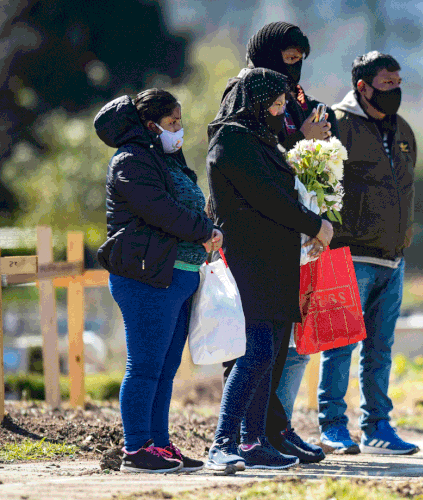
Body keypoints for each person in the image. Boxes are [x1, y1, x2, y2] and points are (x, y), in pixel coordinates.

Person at [219, 21, 338, 464]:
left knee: (283, 344)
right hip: (254, 235)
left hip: (291, 232)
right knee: (255, 347)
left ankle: (274, 430)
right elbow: (260, 160)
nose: (295, 69)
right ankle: (245, 438)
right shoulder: (242, 94)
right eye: (287, 59)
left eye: (300, 60)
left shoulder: (298, 98)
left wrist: (323, 146)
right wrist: (301, 139)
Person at [95, 89, 223, 473]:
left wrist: (210, 231)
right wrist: (205, 229)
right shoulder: (131, 160)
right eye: (172, 123)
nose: (178, 130)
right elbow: (162, 211)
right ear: (150, 125)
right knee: (145, 367)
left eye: (180, 122)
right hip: (146, 277)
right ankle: (136, 449)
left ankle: (160, 444)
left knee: (165, 370)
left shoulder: (164, 158)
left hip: (178, 276)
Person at [318, 51, 419, 455]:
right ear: (362, 86)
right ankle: (332, 427)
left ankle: (378, 426)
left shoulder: (405, 131)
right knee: (340, 345)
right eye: (386, 84)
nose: (395, 91)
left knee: (380, 349)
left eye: (398, 83)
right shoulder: (336, 125)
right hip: (349, 254)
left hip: (393, 258)